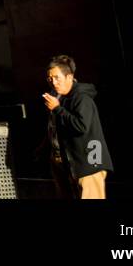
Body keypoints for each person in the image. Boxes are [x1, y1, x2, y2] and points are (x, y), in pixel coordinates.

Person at [44, 54, 113, 199]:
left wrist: (57, 109)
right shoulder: (61, 98)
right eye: (50, 79)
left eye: (57, 78)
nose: (53, 82)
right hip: (73, 163)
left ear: (69, 77)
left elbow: (81, 126)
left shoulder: (81, 98)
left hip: (90, 163)